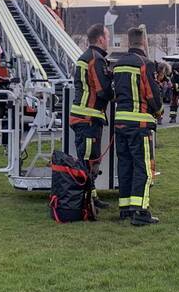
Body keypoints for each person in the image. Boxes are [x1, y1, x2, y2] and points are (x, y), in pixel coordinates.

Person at [112, 27, 162, 225]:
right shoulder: (145, 64)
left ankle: (125, 208)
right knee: (143, 168)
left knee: (125, 166)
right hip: (139, 124)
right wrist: (158, 111)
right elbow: (152, 94)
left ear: (128, 42)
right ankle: (140, 212)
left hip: (120, 123)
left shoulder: (118, 64)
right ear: (143, 42)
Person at [69, 24, 114, 209]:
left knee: (91, 159)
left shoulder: (86, 57)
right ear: (101, 39)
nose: (109, 40)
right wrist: (121, 94)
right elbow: (102, 91)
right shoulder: (96, 59)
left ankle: (91, 198)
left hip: (85, 118)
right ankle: (84, 201)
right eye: (108, 37)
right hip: (88, 119)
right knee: (88, 160)